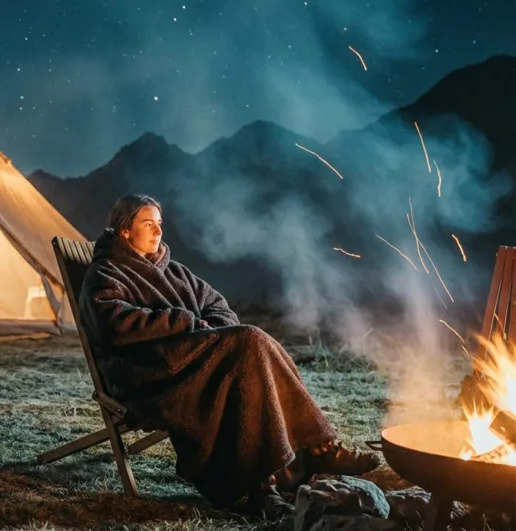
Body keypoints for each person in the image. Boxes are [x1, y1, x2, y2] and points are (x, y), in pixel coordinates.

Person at [80, 194, 380, 516]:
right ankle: (307, 454)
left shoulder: (175, 271)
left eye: (159, 224)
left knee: (250, 354)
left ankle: (281, 474)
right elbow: (114, 324)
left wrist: (210, 329)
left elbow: (218, 307)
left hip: (195, 362)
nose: (157, 232)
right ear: (125, 231)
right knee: (249, 342)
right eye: (147, 224)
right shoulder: (106, 272)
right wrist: (185, 321)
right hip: (151, 374)